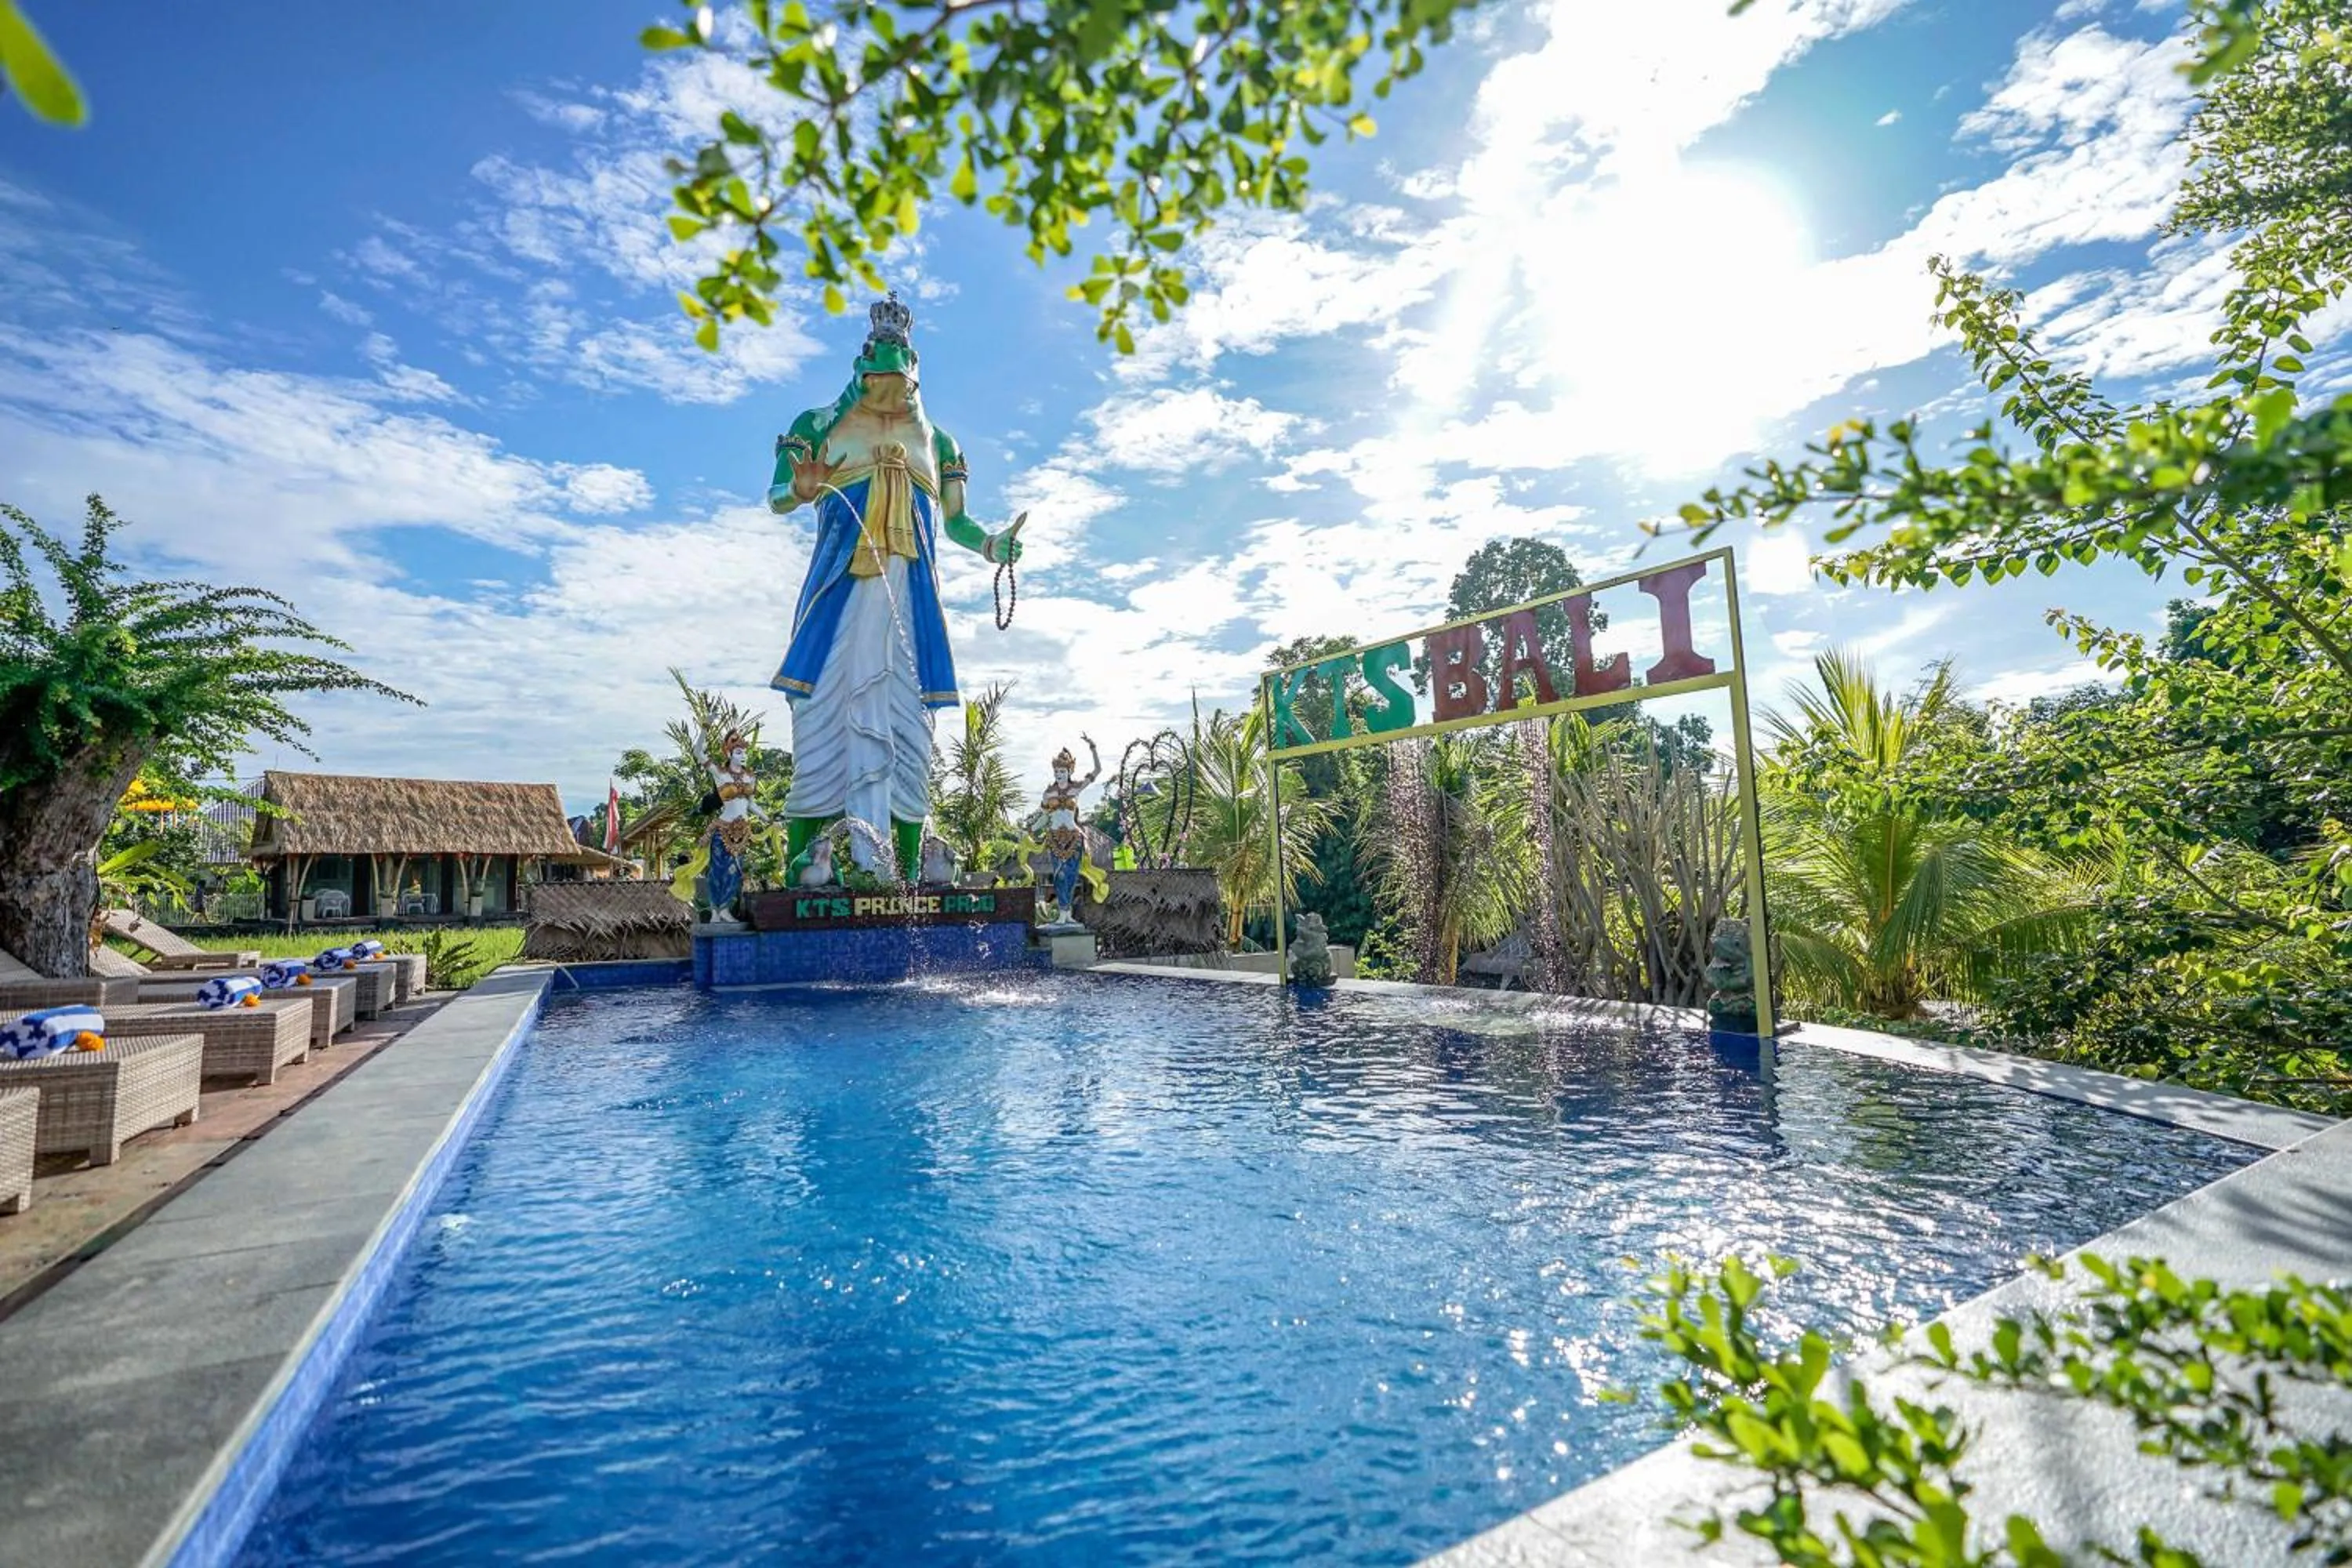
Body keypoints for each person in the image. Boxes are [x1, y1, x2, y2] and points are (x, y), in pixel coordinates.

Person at [768, 292, 1022, 881]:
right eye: (879, 355)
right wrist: (799, 489)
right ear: (860, 364)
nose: (890, 368)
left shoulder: (941, 442)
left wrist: (992, 545)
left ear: (915, 370)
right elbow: (780, 495)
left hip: (908, 599)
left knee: (909, 727)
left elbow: (956, 520)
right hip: (841, 597)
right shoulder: (817, 424)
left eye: (902, 357)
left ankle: (905, 872)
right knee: (821, 719)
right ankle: (809, 865)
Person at [1036, 740, 1100, 920]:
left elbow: (1097, 771)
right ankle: (1063, 914)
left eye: (1062, 771)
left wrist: (1093, 748)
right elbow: (1043, 817)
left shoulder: (1076, 788)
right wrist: (1032, 830)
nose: (1059, 775)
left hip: (1074, 838)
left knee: (1071, 877)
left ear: (1070, 771)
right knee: (1059, 876)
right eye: (1056, 772)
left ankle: (1067, 914)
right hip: (1055, 838)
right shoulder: (1048, 794)